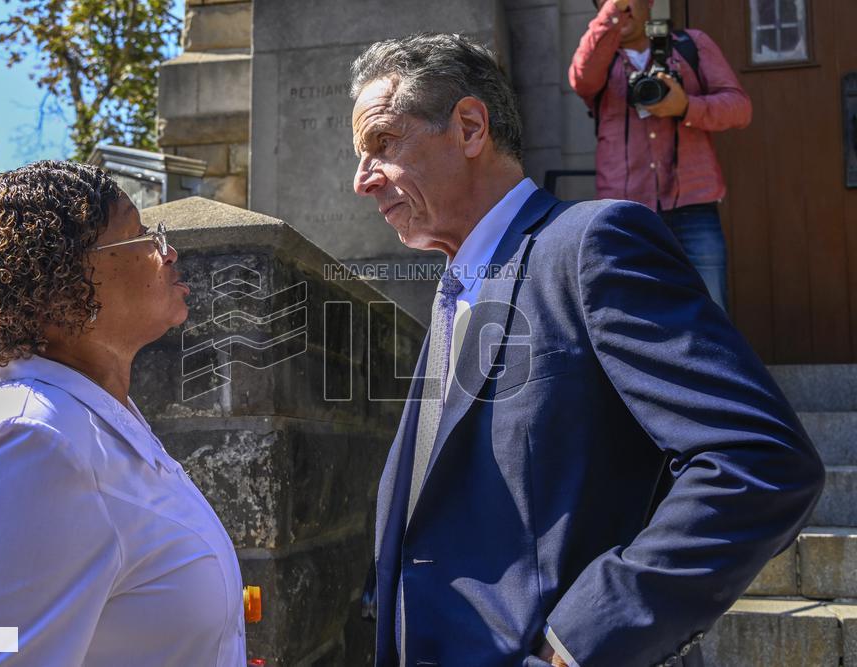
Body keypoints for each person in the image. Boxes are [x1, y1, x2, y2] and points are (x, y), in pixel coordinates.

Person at [350, 33, 822, 667]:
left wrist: (577, 646)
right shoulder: (453, 291)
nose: (361, 180)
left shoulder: (592, 246)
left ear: (468, 127)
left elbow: (759, 462)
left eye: (383, 143)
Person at [0, 161, 246, 665]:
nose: (168, 251)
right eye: (139, 237)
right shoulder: (29, 440)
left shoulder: (88, 420)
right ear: (61, 284)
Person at [569, 0, 751, 311]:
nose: (621, 8)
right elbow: (581, 78)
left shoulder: (689, 45)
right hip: (625, 210)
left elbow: (740, 109)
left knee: (711, 307)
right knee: (637, 311)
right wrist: (611, 14)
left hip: (694, 204)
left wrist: (684, 107)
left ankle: (712, 361)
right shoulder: (598, 57)